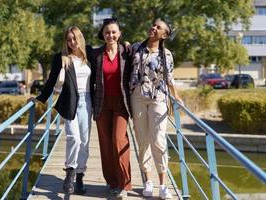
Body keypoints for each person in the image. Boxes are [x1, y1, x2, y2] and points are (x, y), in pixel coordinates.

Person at [29, 26, 92, 195]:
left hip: (87, 103)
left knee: (85, 142)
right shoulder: (61, 58)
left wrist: (126, 46)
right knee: (74, 138)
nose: (72, 42)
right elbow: (51, 81)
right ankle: (69, 174)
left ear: (80, 38)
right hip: (70, 101)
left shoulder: (89, 54)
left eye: (74, 38)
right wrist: (40, 98)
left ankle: (79, 177)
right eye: (69, 39)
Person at [130, 19, 183, 199]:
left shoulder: (166, 54)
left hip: (158, 99)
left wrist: (177, 96)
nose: (153, 27)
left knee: (159, 141)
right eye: (153, 25)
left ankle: (163, 185)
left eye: (158, 27)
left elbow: (170, 78)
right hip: (137, 97)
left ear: (164, 35)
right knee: (142, 140)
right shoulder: (136, 48)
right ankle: (148, 181)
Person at [89, 18, 132, 198]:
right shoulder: (96, 54)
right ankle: (112, 182)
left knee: (118, 140)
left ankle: (124, 183)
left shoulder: (127, 52)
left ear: (119, 34)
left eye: (114, 32)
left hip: (121, 103)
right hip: (102, 104)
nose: (111, 35)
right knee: (106, 144)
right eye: (107, 32)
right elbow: (75, 51)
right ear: (103, 35)